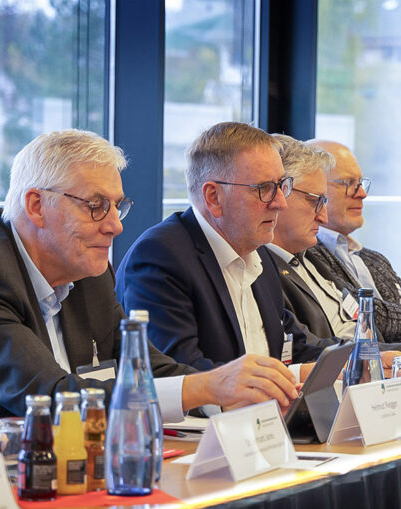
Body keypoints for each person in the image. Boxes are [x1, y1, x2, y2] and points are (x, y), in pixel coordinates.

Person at [0, 129, 299, 420]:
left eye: (116, 207)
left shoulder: (88, 270)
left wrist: (231, 390)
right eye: (96, 206)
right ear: (36, 206)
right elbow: (51, 397)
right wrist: (204, 388)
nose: (115, 227)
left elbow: (147, 366)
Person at [115, 122, 344, 377]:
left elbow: (294, 347)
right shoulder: (161, 257)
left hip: (262, 414)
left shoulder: (259, 255)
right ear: (214, 197)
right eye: (265, 189)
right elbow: (177, 375)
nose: (280, 202)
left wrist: (361, 360)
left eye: (282, 185)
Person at [303, 140, 401, 343]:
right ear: (317, 188)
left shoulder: (374, 259)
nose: (362, 194)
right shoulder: (308, 255)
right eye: (348, 184)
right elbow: (369, 317)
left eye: (361, 183)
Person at [265, 134, 358, 341]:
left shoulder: (312, 255)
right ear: (279, 193)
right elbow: (304, 349)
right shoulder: (260, 270)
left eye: (324, 201)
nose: (323, 217)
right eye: (313, 200)